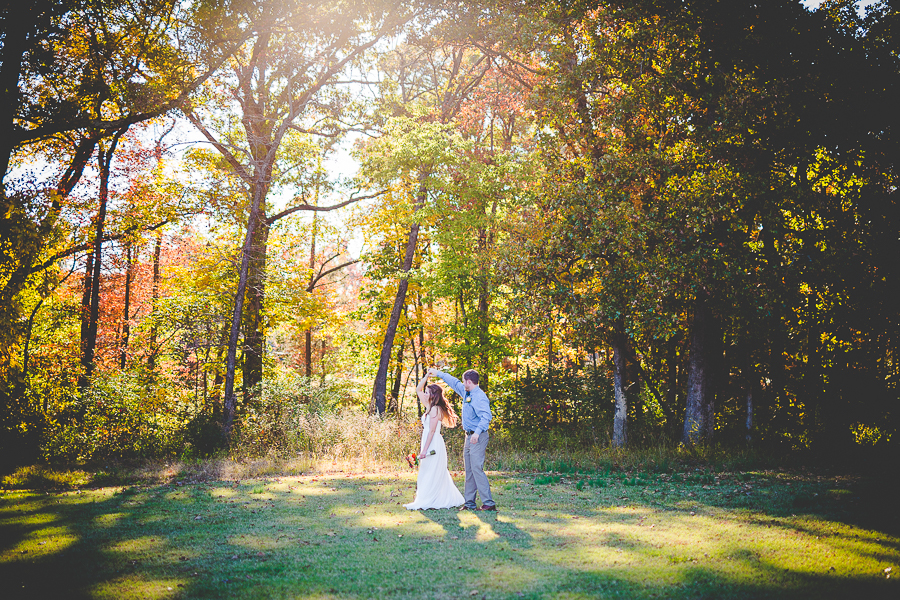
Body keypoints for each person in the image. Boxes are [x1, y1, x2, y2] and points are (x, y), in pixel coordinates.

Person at [428, 367, 495, 511]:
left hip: (478, 436)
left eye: (464, 381)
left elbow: (486, 416)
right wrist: (438, 373)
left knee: (477, 468)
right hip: (469, 436)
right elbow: (453, 382)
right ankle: (469, 503)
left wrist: (476, 433)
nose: (462, 383)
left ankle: (488, 503)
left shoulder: (480, 397)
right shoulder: (466, 392)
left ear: (469, 382)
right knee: (469, 470)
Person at [403, 371, 465, 510]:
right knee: (427, 470)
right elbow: (418, 389)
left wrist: (424, 451)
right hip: (427, 440)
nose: (424, 393)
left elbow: (431, 431)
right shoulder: (429, 405)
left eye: (427, 392)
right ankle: (428, 496)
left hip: (433, 443)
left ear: (433, 394)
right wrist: (426, 377)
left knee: (431, 471)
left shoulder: (435, 409)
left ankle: (432, 499)